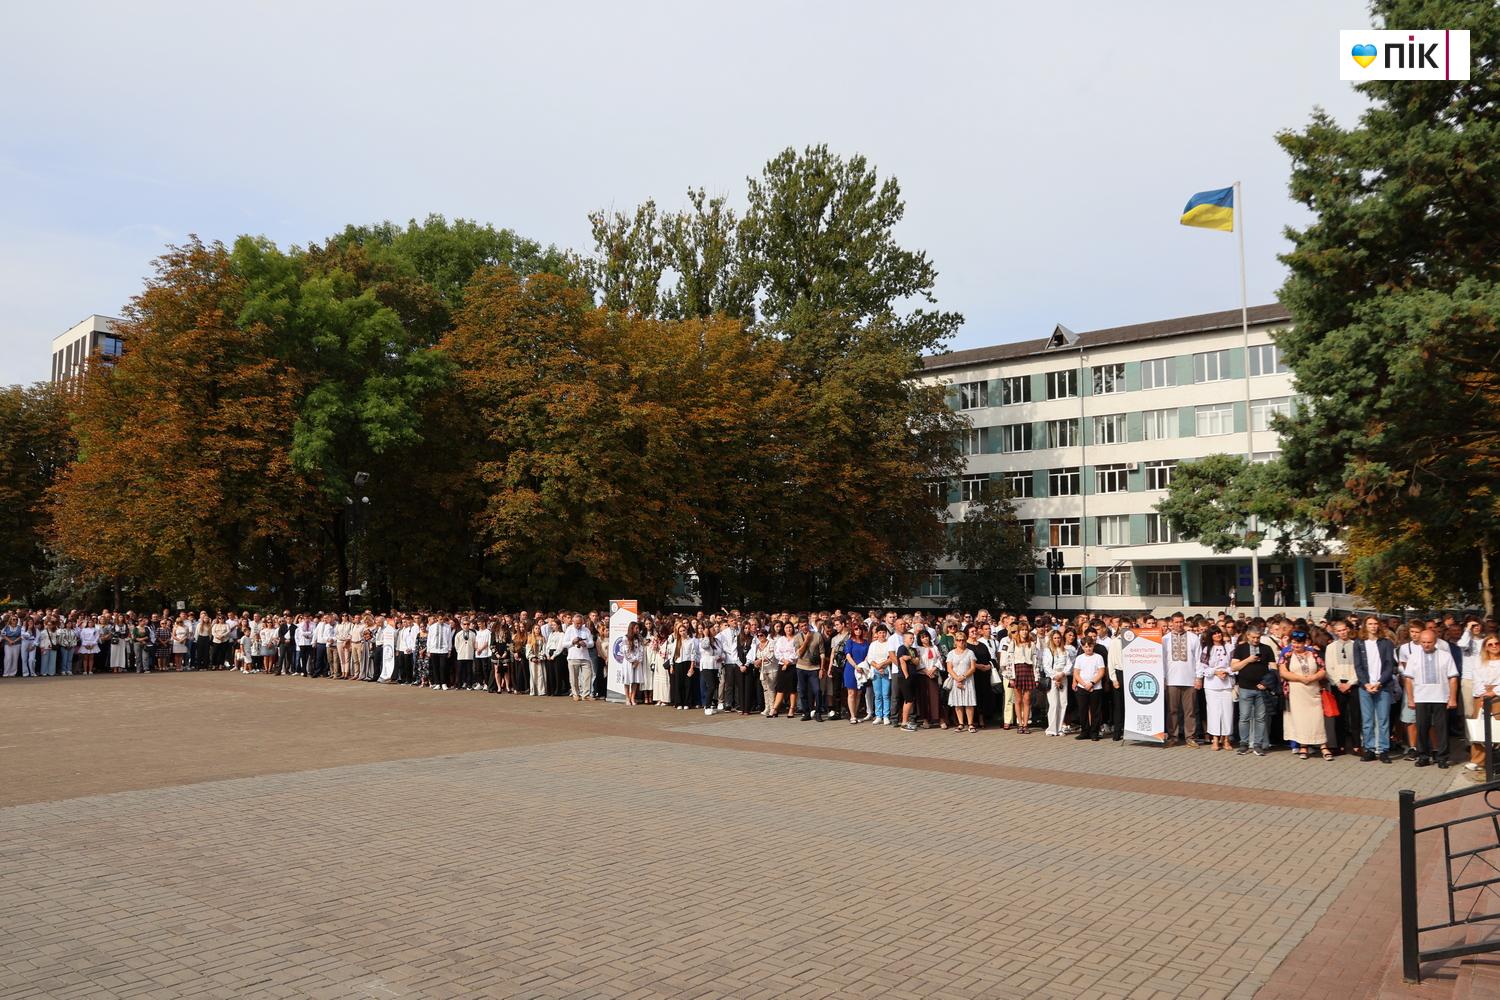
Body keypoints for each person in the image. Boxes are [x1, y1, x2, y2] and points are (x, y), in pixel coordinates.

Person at [1403, 629, 1459, 769]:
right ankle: (1423, 756)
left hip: (1441, 697)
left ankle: (1442, 757)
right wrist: (1410, 698)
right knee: (1422, 727)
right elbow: (1409, 679)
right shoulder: (1414, 656)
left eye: (1429, 642)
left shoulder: (1445, 656)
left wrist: (1452, 698)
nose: (1426, 645)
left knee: (1442, 728)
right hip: (1421, 697)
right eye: (1423, 642)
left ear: (1435, 641)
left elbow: (1452, 678)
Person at [1280, 630, 1331, 760]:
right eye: (1294, 643)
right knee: (1300, 719)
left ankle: (1323, 745)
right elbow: (1283, 672)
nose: (1296, 646)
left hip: (1313, 690)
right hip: (1296, 690)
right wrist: (1300, 678)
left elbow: (1323, 670)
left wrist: (1313, 677)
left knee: (1317, 718)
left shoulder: (1313, 654)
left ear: (1305, 643)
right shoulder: (1287, 655)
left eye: (1299, 643)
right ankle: (1303, 745)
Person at [1353, 617, 1398, 763]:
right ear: (1365, 626)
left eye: (1375, 624)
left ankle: (1383, 749)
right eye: (1370, 624)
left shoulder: (1386, 643)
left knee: (1383, 719)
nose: (1373, 626)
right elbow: (1358, 666)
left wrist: (1379, 683)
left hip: (1382, 686)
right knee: (1367, 720)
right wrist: (1366, 683)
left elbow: (1389, 665)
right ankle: (1369, 749)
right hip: (1365, 687)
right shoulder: (1359, 643)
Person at [1232, 626, 1275, 757]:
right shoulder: (1240, 648)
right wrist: (1248, 660)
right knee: (1244, 717)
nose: (1256, 640)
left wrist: (1266, 683)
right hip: (1245, 688)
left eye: (1258, 637)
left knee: (1260, 718)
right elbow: (1234, 667)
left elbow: (1274, 668)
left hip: (1261, 689)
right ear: (1248, 636)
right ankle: (1244, 744)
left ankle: (1258, 744)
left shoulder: (1266, 649)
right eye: (1253, 637)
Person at [1161, 613, 1203, 746]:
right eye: (1176, 622)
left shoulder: (1193, 637)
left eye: (1181, 622)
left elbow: (1199, 659)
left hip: (1189, 680)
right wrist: (1163, 678)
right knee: (1172, 711)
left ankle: (1190, 736)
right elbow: (1161, 661)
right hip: (1171, 680)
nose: (1179, 624)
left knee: (1190, 711)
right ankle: (1173, 736)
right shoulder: (1165, 639)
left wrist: (1198, 677)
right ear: (1171, 623)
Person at [1466, 636, 1500, 775]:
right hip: (1481, 695)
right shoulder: (1479, 662)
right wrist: (1483, 694)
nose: (1494, 646)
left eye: (1496, 643)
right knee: (1480, 727)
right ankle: (1477, 760)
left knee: (1497, 727)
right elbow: (1477, 678)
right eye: (1490, 644)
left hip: (1498, 696)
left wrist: (1494, 692)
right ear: (1485, 647)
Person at [1201, 628, 1235, 751]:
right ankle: (1215, 738)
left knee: (1227, 712)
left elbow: (1234, 664)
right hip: (1212, 685)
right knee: (1213, 712)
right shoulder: (1207, 649)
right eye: (1214, 633)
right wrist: (1215, 672)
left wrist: (1226, 671)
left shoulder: (1229, 647)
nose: (1217, 635)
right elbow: (1203, 667)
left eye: (1219, 633)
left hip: (1226, 684)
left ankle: (1226, 739)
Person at [1039, 630, 1073, 737]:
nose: (1057, 640)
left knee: (1063, 703)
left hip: (1063, 677)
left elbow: (1069, 665)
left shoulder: (1065, 651)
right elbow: (1046, 666)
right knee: (1054, 704)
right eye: (1055, 638)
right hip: (1052, 678)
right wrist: (1055, 677)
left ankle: (1059, 728)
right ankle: (1051, 728)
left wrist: (1062, 674)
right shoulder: (1047, 651)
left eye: (1059, 638)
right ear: (1051, 639)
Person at [1072, 637, 1106, 740]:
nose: (1088, 649)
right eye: (1086, 646)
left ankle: (1094, 732)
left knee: (1095, 711)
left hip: (1095, 688)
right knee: (1083, 710)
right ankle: (1084, 731)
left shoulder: (1098, 657)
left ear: (1093, 646)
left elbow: (1101, 672)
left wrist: (1092, 683)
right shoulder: (1079, 658)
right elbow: (1076, 673)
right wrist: (1084, 684)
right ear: (1082, 647)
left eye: (1090, 646)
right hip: (1082, 687)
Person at [946, 631, 978, 732]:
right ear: (955, 641)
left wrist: (963, 676)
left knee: (969, 702)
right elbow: (949, 668)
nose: (961, 642)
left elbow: (973, 668)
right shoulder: (951, 653)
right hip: (955, 680)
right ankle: (960, 723)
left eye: (963, 640)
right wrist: (956, 678)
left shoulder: (970, 652)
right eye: (958, 640)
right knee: (958, 702)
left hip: (967, 679)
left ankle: (970, 723)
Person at [842, 622, 869, 725]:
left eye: (860, 629)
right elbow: (848, 655)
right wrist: (856, 666)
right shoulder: (850, 642)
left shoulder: (866, 642)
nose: (858, 631)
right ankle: (852, 715)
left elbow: (868, 655)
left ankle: (856, 713)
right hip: (851, 668)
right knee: (851, 692)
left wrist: (862, 665)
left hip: (862, 668)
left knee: (859, 693)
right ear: (853, 630)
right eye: (856, 629)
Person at [563, 613, 594, 702]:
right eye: (577, 623)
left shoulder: (586, 630)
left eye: (580, 623)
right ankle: (575, 694)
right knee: (574, 677)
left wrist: (586, 644)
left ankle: (586, 695)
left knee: (587, 676)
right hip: (573, 657)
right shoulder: (569, 630)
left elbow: (591, 643)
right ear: (573, 622)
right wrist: (572, 642)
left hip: (585, 657)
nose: (579, 625)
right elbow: (564, 644)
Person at [619, 621, 644, 706]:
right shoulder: (625, 638)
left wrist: (638, 660)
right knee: (627, 680)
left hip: (637, 662)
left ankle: (633, 698)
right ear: (631, 628)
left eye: (638, 628)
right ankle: (627, 698)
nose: (638, 630)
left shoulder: (639, 638)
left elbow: (641, 650)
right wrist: (633, 660)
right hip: (628, 662)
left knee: (635, 681)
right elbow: (625, 651)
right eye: (636, 628)